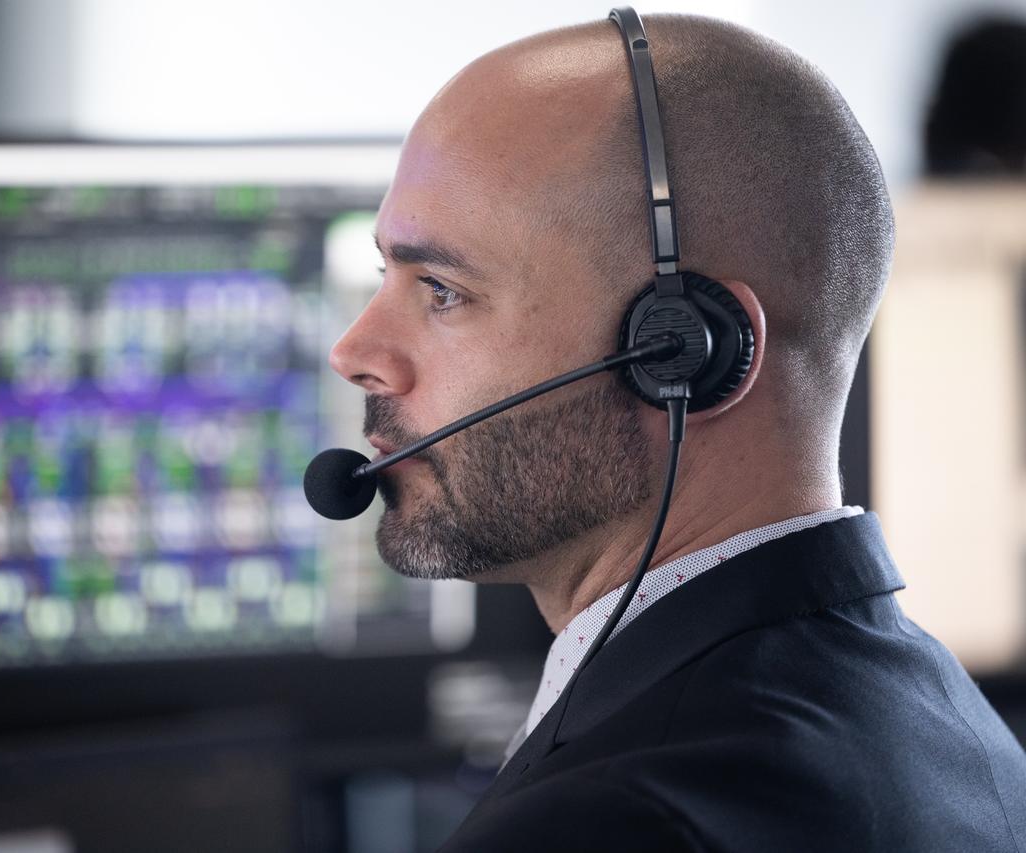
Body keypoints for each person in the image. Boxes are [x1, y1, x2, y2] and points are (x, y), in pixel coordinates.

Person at [326, 10, 1026, 852]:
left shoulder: (612, 821)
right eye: (384, 274)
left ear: (685, 350)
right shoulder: (952, 726)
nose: (355, 351)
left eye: (441, 289)